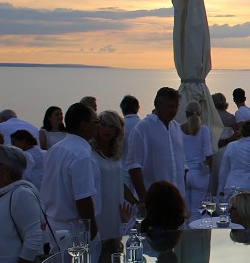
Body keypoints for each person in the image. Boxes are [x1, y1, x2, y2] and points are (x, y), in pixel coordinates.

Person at [40, 102, 101, 240]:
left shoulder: (55, 149)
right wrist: (92, 232)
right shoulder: (81, 155)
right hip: (75, 231)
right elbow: (83, 198)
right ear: (84, 125)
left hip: (53, 227)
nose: (99, 125)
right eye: (96, 121)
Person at [127, 87, 185, 202]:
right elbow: (134, 166)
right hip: (154, 200)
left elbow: (182, 164)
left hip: (177, 200)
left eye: (176, 106)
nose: (173, 111)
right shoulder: (142, 128)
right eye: (170, 107)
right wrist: (144, 199)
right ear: (158, 105)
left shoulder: (177, 128)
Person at [93, 111, 129, 243]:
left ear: (117, 130)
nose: (106, 129)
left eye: (111, 126)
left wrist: (136, 202)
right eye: (103, 125)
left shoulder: (117, 155)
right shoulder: (90, 153)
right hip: (99, 209)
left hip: (116, 209)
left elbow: (120, 182)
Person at [181, 102, 213, 215]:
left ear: (186, 114)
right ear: (200, 114)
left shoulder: (179, 130)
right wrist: (209, 170)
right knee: (198, 213)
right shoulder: (204, 130)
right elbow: (208, 154)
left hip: (183, 174)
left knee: (184, 212)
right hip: (200, 174)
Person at [220, 122, 250, 194]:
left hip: (233, 185)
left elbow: (224, 169)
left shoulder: (232, 145)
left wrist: (221, 188)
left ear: (241, 131)